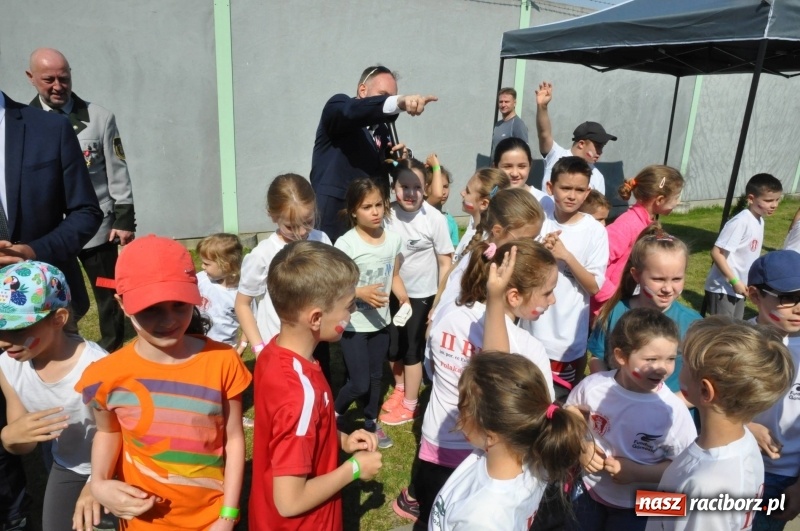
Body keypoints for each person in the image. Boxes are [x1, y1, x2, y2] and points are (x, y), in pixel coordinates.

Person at [75, 235, 252, 529]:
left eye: (180, 306)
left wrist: (228, 516)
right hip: (143, 521)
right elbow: (108, 434)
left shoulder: (223, 361)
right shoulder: (102, 376)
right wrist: (99, 483)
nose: (169, 320)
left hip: (212, 519)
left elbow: (234, 440)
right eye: (151, 308)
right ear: (121, 303)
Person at [393, 240, 557, 525]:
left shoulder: (449, 316)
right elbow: (503, 383)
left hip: (437, 444)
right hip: (487, 457)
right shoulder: (528, 349)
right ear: (515, 296)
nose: (552, 300)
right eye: (548, 292)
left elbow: (431, 369)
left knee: (437, 514)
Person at [0, 88, 101, 530]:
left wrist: (34, 251)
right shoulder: (10, 358)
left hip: (41, 295)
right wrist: (10, 437)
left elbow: (85, 211)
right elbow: (16, 424)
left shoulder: (49, 127)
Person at [248, 240, 383, 530]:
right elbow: (290, 501)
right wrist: (355, 468)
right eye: (348, 307)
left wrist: (343, 441)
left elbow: (307, 427)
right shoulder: (299, 396)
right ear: (316, 318)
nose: (351, 314)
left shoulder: (274, 354)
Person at [27, 48, 136, 352]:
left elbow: (117, 170)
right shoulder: (24, 123)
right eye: (49, 79)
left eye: (64, 78)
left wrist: (124, 218)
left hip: (97, 230)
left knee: (108, 292)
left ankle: (112, 348)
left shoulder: (100, 118)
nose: (58, 86)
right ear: (31, 79)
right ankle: (63, 348)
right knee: (55, 295)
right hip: (49, 233)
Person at [646, 317, 794, 531]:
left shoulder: (708, 485)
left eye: (685, 363)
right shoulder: (744, 442)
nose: (679, 368)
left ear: (706, 390)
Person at [0, 261, 114, 531]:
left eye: (16, 330)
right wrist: (10, 438)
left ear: (58, 319)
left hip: (116, 465)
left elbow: (125, 434)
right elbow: (23, 440)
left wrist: (97, 482)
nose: (3, 341)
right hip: (67, 465)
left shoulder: (97, 368)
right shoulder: (8, 365)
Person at [566, 308, 697, 531]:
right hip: (588, 491)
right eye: (651, 359)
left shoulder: (673, 412)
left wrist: (637, 473)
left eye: (670, 359)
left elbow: (686, 469)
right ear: (621, 356)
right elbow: (570, 415)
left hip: (641, 506)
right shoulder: (593, 387)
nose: (663, 368)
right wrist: (582, 447)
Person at [429, 351, 584, 531]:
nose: (458, 415)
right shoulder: (534, 453)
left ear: (491, 436)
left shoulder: (482, 520)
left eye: (462, 409)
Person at [310, 65, 437, 241]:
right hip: (333, 218)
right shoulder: (338, 106)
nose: (389, 103)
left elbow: (381, 171)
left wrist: (399, 160)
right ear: (362, 89)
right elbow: (350, 112)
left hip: (369, 223)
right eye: (384, 95)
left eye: (392, 97)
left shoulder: (383, 130)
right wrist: (399, 102)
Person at [334, 177, 409, 449]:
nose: (375, 212)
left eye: (379, 205)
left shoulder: (394, 241)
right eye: (367, 207)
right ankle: (335, 413)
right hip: (353, 325)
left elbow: (395, 275)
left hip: (380, 323)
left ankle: (370, 421)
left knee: (376, 376)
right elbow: (336, 286)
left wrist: (402, 296)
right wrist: (359, 292)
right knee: (359, 383)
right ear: (354, 211)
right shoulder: (346, 245)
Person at [523, 156, 608, 392]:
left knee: (558, 400)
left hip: (565, 338)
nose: (572, 195)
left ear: (588, 191)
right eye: (565, 188)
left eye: (579, 190)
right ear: (550, 188)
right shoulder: (540, 216)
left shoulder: (594, 231)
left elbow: (593, 287)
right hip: (529, 330)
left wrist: (566, 256)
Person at [234, 173, 333, 378]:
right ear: (272, 215)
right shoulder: (262, 255)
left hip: (317, 340)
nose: (301, 232)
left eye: (308, 221)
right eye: (290, 226)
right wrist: (259, 348)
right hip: (280, 345)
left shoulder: (322, 240)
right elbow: (242, 304)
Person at [588, 226, 700, 401]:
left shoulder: (693, 323)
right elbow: (597, 357)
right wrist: (612, 392)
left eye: (677, 279)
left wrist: (669, 404)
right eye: (658, 279)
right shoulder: (615, 311)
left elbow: (703, 380)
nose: (668, 288)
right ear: (636, 275)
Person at [381, 165, 453, 426]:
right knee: (391, 347)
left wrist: (438, 300)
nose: (411, 193)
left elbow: (446, 262)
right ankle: (400, 388)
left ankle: (411, 404)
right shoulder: (386, 215)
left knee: (412, 349)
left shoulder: (434, 219)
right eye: (404, 187)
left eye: (417, 187)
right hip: (390, 291)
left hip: (422, 295)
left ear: (426, 189)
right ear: (394, 188)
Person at [745, 251, 800, 530]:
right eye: (788, 297)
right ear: (755, 296)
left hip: (784, 479)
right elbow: (705, 398)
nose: (799, 307)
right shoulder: (734, 341)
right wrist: (744, 426)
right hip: (735, 468)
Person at [431, 187, 543, 324]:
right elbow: (442, 318)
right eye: (526, 240)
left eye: (535, 240)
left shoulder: (507, 260)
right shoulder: (474, 263)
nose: (530, 246)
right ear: (498, 231)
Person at [590, 165, 685, 316]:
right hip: (607, 309)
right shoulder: (628, 224)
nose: (679, 201)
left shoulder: (644, 222)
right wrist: (609, 297)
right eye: (677, 196)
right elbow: (593, 263)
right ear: (660, 199)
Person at [703, 173, 783, 319]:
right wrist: (734, 281)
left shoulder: (759, 220)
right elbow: (717, 253)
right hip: (724, 288)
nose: (774, 205)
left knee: (736, 329)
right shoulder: (740, 222)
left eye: (777, 200)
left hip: (739, 287)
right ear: (751, 199)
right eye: (768, 200)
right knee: (724, 333)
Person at [535, 81, 616, 194]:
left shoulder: (597, 177)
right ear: (581, 144)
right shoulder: (556, 155)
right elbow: (544, 133)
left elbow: (598, 210)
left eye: (602, 147)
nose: (600, 152)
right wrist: (542, 107)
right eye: (597, 146)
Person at [196, 233, 246, 351]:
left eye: (207, 264)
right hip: (198, 342)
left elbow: (251, 323)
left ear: (226, 266)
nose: (202, 266)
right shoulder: (200, 279)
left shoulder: (242, 293)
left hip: (224, 348)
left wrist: (241, 348)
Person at [451, 168, 510, 265]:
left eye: (467, 191)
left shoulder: (485, 242)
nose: (462, 193)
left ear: (483, 204)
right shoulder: (473, 227)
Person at [422, 154, 459, 247]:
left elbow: (454, 250)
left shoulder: (450, 220)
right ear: (424, 190)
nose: (443, 192)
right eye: (438, 187)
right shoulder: (420, 214)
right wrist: (436, 166)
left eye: (446, 187)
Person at [491, 87, 529, 156]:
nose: (503, 105)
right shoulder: (497, 125)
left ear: (514, 103)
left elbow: (523, 152)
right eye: (501, 102)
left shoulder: (518, 124)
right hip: (496, 166)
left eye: (506, 102)